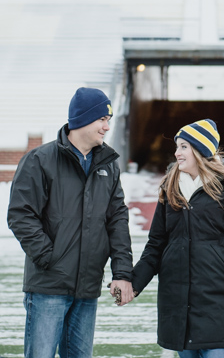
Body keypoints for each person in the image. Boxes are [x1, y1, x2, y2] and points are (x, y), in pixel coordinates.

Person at [7, 87, 135, 358]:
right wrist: (49, 258)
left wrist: (122, 272)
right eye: (102, 119)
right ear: (83, 120)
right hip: (48, 287)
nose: (106, 127)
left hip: (87, 288)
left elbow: (117, 220)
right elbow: (21, 214)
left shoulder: (108, 165)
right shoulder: (40, 160)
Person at [131, 119, 224, 358]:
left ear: (200, 150)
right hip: (178, 305)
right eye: (177, 147)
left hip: (218, 303)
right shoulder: (169, 189)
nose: (177, 153)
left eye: (183, 146)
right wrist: (132, 285)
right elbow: (156, 246)